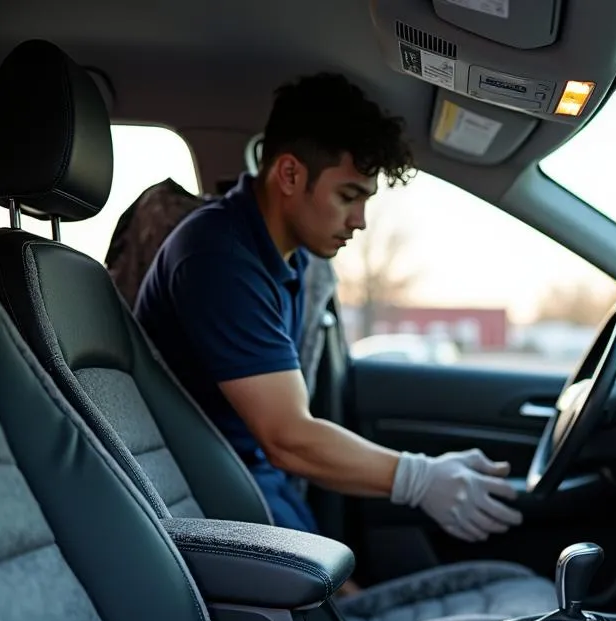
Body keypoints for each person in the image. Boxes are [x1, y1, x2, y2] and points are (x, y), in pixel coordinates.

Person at [134, 72, 522, 543]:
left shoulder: (284, 260)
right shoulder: (218, 257)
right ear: (291, 174)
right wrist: (418, 478)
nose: (359, 222)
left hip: (253, 491)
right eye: (347, 196)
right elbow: (287, 437)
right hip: (219, 510)